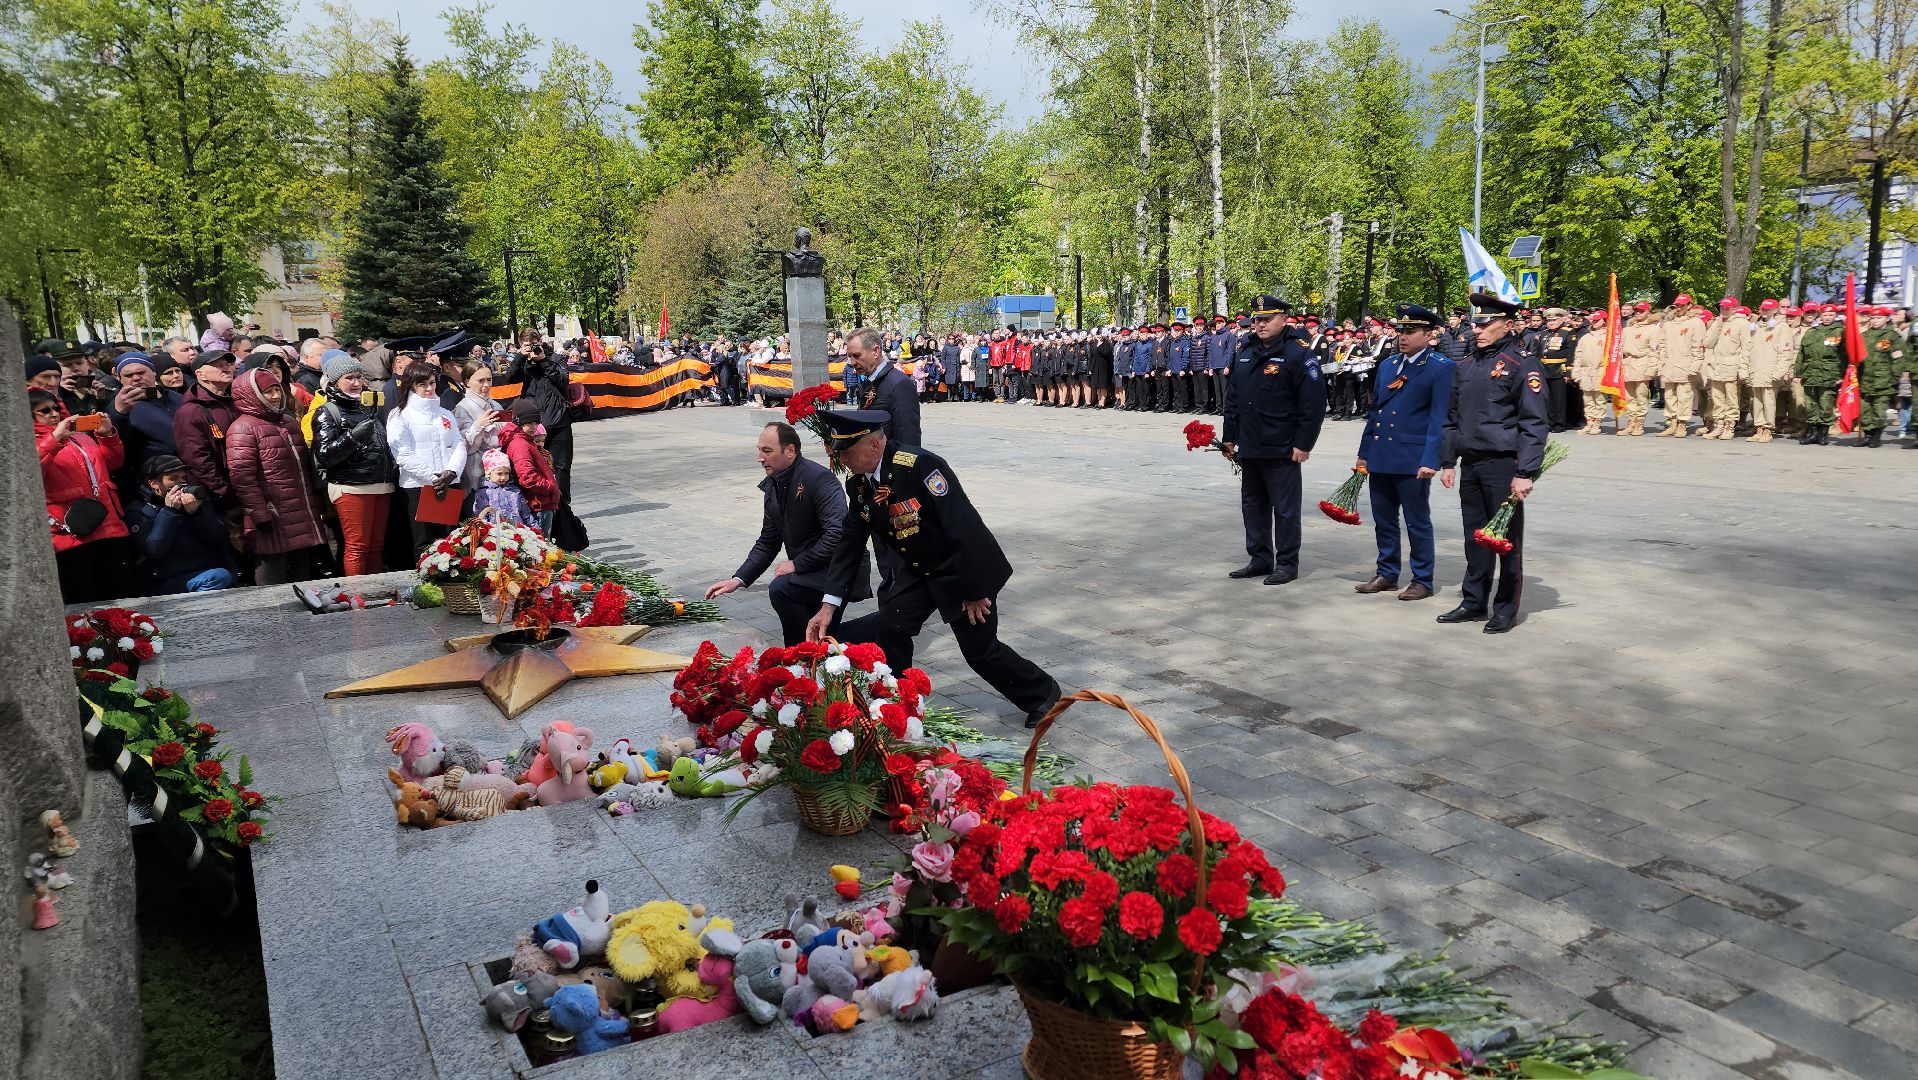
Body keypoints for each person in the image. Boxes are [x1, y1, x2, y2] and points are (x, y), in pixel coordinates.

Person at [804, 410, 1060, 726]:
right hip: (919, 568)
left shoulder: (920, 466)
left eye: (846, 451)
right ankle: (898, 702)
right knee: (891, 626)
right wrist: (828, 605)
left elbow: (964, 527)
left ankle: (1043, 693)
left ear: (874, 445)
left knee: (980, 652)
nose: (841, 458)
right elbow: (849, 543)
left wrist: (975, 591)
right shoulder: (859, 483)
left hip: (960, 568)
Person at [1438, 292, 1548, 634]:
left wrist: (1525, 471)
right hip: (1471, 462)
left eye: (1486, 324)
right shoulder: (1467, 365)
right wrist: (1448, 461)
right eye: (1476, 324)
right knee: (1475, 538)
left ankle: (1505, 608)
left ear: (1508, 325)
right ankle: (1473, 601)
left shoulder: (1522, 364)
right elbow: (1452, 418)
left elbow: (1534, 422)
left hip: (1503, 465)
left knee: (1506, 541)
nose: (1478, 330)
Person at [706, 422, 870, 645]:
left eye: (767, 451)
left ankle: (806, 653)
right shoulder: (774, 484)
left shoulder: (818, 479)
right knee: (817, 634)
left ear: (790, 450)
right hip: (812, 570)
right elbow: (768, 541)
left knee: (782, 590)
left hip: (839, 570)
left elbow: (837, 534)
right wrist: (739, 579)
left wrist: (797, 564)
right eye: (759, 450)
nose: (760, 458)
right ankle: (806, 655)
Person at [1353, 305, 1456, 602]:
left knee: (1416, 520)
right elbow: (1376, 412)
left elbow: (1439, 418)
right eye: (1401, 331)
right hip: (1383, 453)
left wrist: (1431, 459)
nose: (1404, 337)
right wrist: (1364, 452)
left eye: (1411, 332)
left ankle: (1422, 578)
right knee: (1384, 519)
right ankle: (1387, 573)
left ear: (1429, 334)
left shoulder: (1440, 367)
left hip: (1412, 457)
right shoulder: (1388, 365)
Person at [1221, 294, 1325, 586]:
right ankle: (1260, 558)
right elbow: (1233, 398)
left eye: (1267, 319)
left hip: (1282, 446)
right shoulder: (1245, 350)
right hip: (1250, 444)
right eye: (1257, 320)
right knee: (1253, 506)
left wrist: (1304, 444)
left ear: (1284, 319)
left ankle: (1287, 563)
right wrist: (1229, 437)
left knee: (1285, 509)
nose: (1261, 325)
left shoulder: (1298, 353)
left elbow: (1313, 404)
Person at [226, 367, 328, 584]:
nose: (275, 395)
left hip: (300, 510)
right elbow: (242, 478)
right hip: (272, 512)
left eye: (277, 389)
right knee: (272, 576)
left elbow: (303, 469)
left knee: (303, 576)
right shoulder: (243, 428)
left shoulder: (288, 422)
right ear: (251, 395)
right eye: (267, 391)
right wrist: (260, 513)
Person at [32, 389, 131, 603]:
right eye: (44, 411)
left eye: (56, 408)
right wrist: (53, 440)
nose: (54, 414)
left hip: (107, 525)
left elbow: (113, 463)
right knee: (83, 601)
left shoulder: (80, 437)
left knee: (120, 596)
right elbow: (31, 474)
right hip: (71, 535)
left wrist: (107, 435)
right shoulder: (31, 444)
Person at [311, 355, 396, 574]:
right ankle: (357, 594)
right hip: (352, 486)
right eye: (349, 378)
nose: (356, 383)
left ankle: (376, 589)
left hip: (381, 484)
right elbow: (324, 454)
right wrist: (353, 436)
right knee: (357, 547)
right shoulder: (327, 410)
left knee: (376, 547)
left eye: (358, 377)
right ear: (334, 381)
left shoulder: (369, 406)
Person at [124, 454, 237, 593]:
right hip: (164, 580)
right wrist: (170, 512)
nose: (181, 483)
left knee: (222, 576)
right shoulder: (138, 511)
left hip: (204, 571)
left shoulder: (194, 500)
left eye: (183, 478)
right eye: (173, 478)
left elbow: (219, 539)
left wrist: (196, 513)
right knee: (218, 577)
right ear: (154, 483)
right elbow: (153, 550)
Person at [386, 363, 466, 554]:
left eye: (432, 383)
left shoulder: (445, 414)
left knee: (451, 543)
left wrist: (452, 472)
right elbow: (403, 454)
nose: (429, 388)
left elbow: (458, 444)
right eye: (422, 384)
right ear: (411, 386)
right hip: (418, 486)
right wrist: (434, 478)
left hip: (448, 483)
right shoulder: (400, 415)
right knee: (425, 545)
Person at [503, 329, 576, 503]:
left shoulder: (556, 358)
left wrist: (544, 360)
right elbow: (510, 378)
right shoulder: (524, 361)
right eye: (528, 345)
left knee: (561, 466)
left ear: (541, 342)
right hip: (532, 423)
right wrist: (521, 357)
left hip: (558, 419)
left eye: (535, 344)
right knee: (532, 465)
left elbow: (563, 380)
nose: (533, 348)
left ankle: (563, 505)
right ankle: (537, 504)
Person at [172, 349, 241, 528]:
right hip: (219, 500)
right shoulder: (190, 412)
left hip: (243, 489)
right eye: (218, 365)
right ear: (200, 374)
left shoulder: (235, 401)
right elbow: (198, 460)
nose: (226, 368)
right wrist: (226, 493)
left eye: (228, 364)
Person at [104, 352, 184, 485]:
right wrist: (120, 414)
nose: (136, 378)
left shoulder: (177, 398)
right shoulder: (117, 408)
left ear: (154, 372)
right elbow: (118, 448)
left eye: (141, 372)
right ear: (119, 379)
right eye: (128, 375)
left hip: (192, 470)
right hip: (157, 480)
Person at [843, 326, 920, 448]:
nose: (852, 362)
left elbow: (908, 439)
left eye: (857, 356)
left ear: (875, 351)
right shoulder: (868, 381)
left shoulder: (900, 383)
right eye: (850, 357)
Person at [500, 399, 561, 533]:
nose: (534, 427)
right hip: (538, 503)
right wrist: (550, 486)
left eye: (536, 423)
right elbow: (527, 477)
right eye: (529, 423)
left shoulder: (526, 440)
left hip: (541, 501)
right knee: (542, 541)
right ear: (518, 422)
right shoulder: (520, 445)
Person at [1793, 307, 1846, 445]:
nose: (1827, 317)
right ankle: (1813, 434)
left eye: (1831, 315)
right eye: (1825, 315)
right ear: (1820, 315)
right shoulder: (1811, 332)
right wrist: (1797, 373)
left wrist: (1842, 375)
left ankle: (1823, 434)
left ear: (1835, 316)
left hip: (1829, 375)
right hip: (1810, 374)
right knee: (1810, 405)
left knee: (1826, 405)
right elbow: (1801, 354)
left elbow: (1844, 356)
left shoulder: (1840, 332)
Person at [453, 359, 506, 495]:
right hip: (476, 472)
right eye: (480, 381)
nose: (486, 385)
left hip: (500, 470)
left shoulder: (496, 405)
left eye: (489, 379)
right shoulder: (462, 408)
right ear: (467, 382)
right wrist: (478, 426)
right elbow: (464, 447)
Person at [1701, 300, 1751, 440]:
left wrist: (1743, 368)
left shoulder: (1742, 324)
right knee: (1717, 399)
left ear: (1735, 309)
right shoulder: (1717, 323)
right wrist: (1718, 326)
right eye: (1722, 308)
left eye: (1727, 308)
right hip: (1716, 365)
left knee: (1731, 399)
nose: (1724, 311)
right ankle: (1718, 426)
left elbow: (1746, 348)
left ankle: (1729, 426)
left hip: (1732, 365)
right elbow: (1707, 343)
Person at [1858, 306, 1900, 448]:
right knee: (1865, 409)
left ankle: (1876, 436)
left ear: (1886, 319)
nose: (1875, 321)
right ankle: (1868, 435)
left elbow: (1898, 358)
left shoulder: (1892, 336)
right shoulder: (1864, 336)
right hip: (1865, 379)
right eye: (1873, 318)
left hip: (1883, 380)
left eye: (1879, 318)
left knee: (1879, 409)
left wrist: (1894, 378)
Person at [474, 449, 539, 529]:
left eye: (506, 473)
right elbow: (480, 517)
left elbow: (526, 514)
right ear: (488, 473)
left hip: (517, 532)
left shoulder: (515, 491)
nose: (503, 477)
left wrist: (536, 530)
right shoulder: (484, 493)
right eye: (499, 474)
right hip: (495, 533)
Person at [1570, 313, 1611, 435]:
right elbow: (1578, 356)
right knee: (1587, 399)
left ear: (1604, 321)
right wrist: (1576, 372)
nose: (1594, 322)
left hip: (1600, 370)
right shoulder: (1585, 337)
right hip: (1585, 371)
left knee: (1599, 398)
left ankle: (1597, 422)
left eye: (1597, 320)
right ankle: (1590, 422)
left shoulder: (1608, 336)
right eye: (1593, 320)